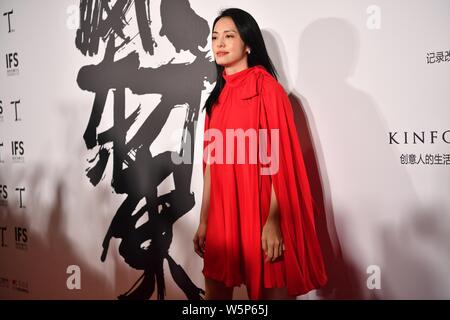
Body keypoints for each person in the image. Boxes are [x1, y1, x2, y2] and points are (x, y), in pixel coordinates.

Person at [193, 8, 328, 300]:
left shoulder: (268, 90)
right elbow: (210, 166)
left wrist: (273, 221)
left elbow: (282, 160)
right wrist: (204, 220)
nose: (220, 43)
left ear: (248, 44)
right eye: (215, 37)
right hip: (221, 214)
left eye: (229, 36)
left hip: (260, 211)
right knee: (214, 295)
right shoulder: (215, 99)